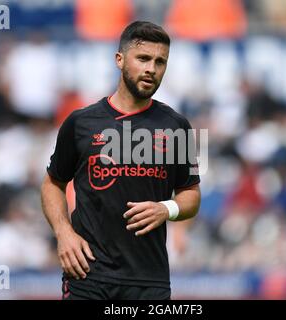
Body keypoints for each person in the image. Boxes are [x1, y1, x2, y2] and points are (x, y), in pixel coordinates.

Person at [41, 21, 201, 300]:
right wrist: (63, 232)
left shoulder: (177, 126)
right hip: (88, 276)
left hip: (149, 281)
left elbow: (191, 195)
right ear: (119, 59)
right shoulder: (80, 123)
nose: (152, 68)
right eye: (143, 58)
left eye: (160, 62)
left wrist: (167, 209)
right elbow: (52, 184)